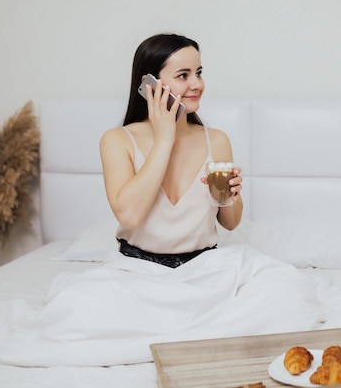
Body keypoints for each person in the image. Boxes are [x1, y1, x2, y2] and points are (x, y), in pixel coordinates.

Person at [99, 33, 243, 268]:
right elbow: (130, 216)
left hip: (204, 268)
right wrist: (165, 140)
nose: (197, 84)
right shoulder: (117, 140)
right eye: (183, 75)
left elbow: (231, 223)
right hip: (137, 269)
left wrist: (230, 195)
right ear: (150, 84)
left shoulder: (216, 140)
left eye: (198, 73)